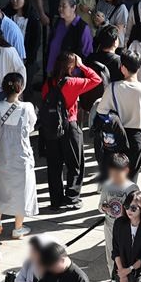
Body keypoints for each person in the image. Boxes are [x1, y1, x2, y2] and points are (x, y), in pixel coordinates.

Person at [41, 53, 102, 210]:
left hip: (51, 127)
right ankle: (72, 198)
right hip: (69, 125)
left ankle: (56, 200)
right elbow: (96, 79)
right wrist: (82, 65)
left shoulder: (48, 82)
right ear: (71, 66)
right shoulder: (72, 82)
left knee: (54, 166)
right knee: (75, 163)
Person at [0, 73, 38, 238]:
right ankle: (18, 228)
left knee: (0, 188)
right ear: (21, 88)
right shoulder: (27, 107)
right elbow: (31, 127)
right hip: (21, 156)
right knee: (22, 191)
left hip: (1, 154)